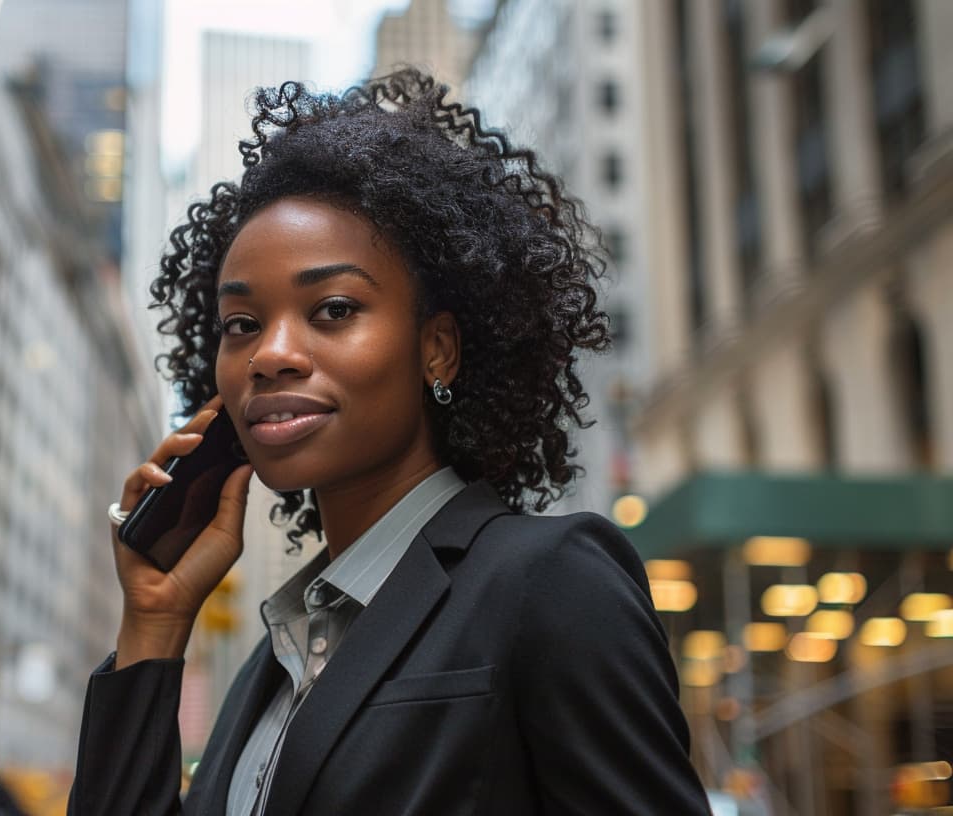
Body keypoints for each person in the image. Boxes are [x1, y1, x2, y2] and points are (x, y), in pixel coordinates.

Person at [70, 69, 710, 815]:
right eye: (241, 324)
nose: (270, 353)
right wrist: (153, 623)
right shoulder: (268, 668)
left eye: (333, 309)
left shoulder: (549, 584)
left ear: (437, 348)